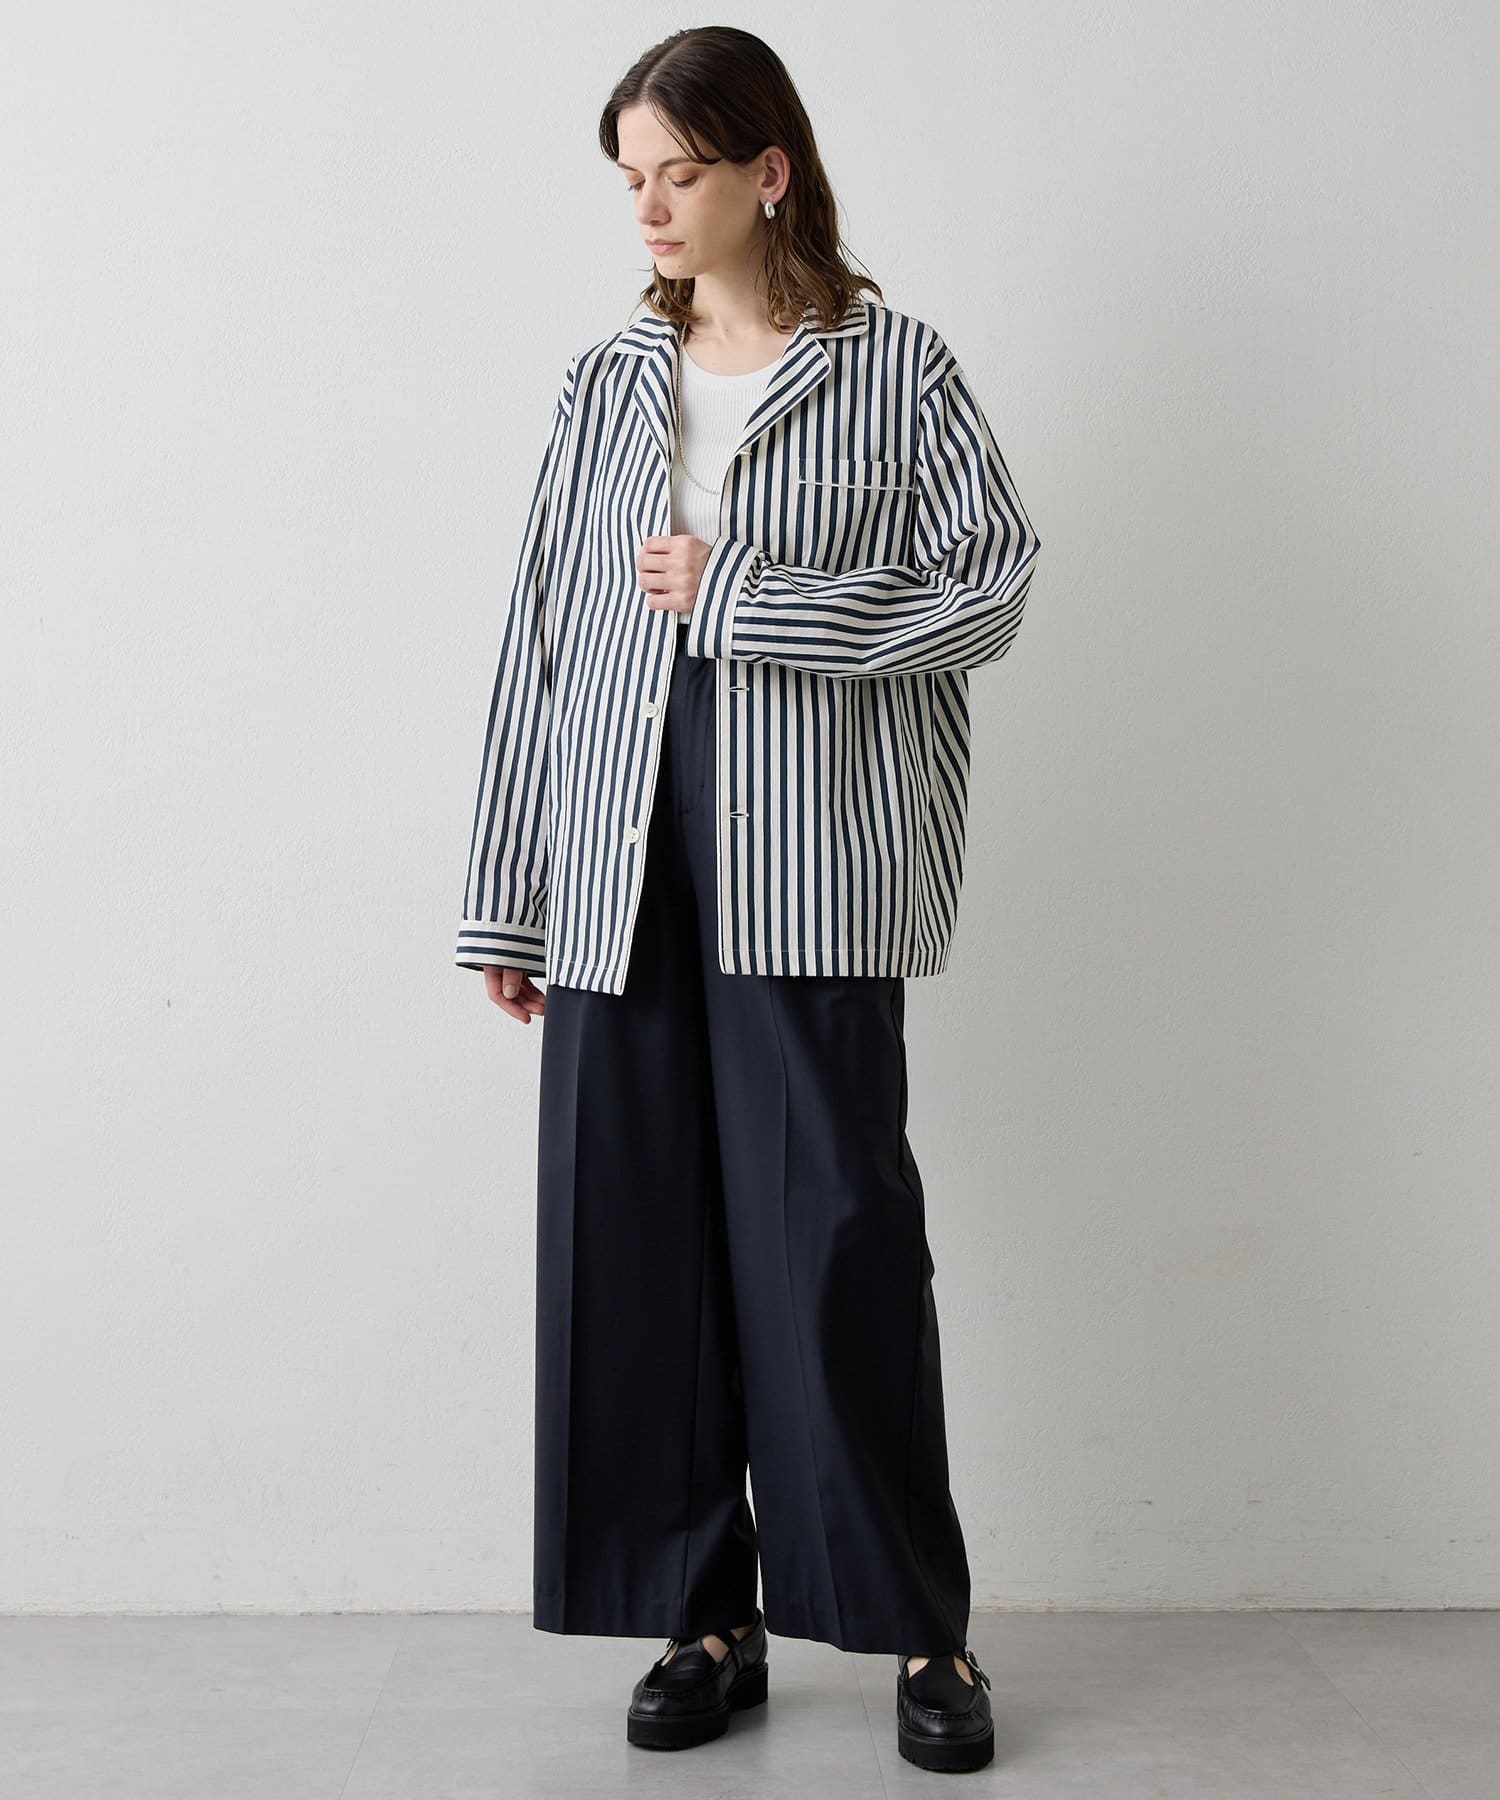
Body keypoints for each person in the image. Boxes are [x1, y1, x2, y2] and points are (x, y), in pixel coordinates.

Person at [455, 25, 1040, 1777]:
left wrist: (752, 594)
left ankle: (922, 1630)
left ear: (767, 172)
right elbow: (544, 636)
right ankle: (701, 1613)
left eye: (681, 173)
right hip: (615, 849)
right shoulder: (601, 385)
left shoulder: (898, 371)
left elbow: (991, 590)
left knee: (836, 1237)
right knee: (636, 1240)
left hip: (813, 854)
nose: (648, 206)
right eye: (631, 178)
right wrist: (510, 896)